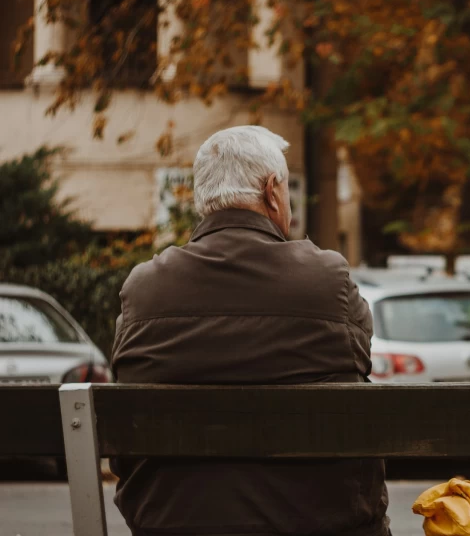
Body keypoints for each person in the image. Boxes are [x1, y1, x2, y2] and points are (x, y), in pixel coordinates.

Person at [111, 126, 389, 536]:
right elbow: (359, 358)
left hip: (175, 527)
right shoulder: (326, 279)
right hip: (323, 526)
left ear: (204, 200)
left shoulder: (144, 288)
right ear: (273, 191)